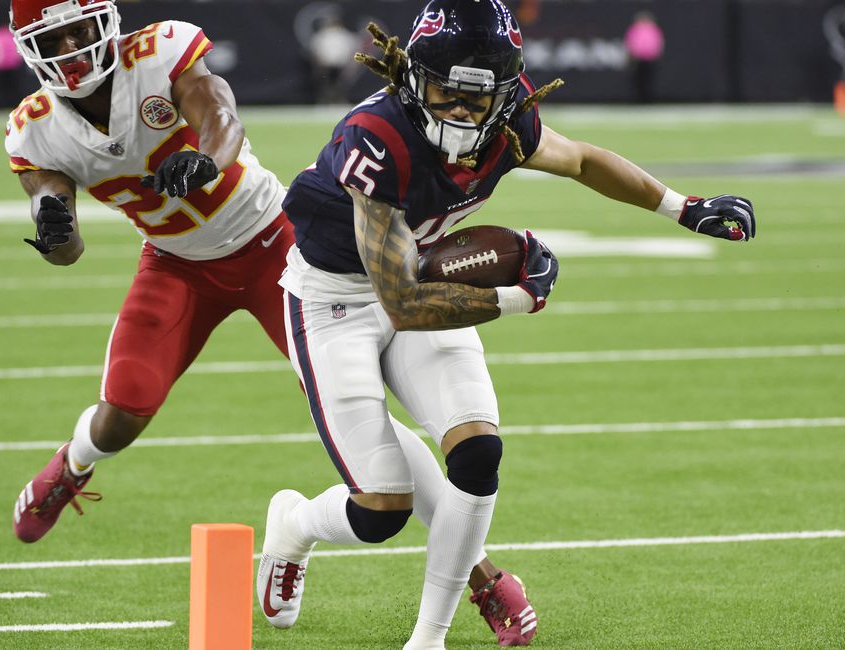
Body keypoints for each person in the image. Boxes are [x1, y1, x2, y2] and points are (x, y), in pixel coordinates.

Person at [3, 0, 537, 644]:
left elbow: (220, 116)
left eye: (78, 30)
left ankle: (478, 576)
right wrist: (53, 223)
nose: (69, 49)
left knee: (370, 425)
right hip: (175, 264)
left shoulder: (161, 51)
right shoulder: (33, 129)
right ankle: (74, 465)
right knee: (123, 410)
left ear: (106, 21)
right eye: (51, 38)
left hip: (277, 248)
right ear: (27, 48)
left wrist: (206, 156)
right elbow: (65, 242)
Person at [257, 1, 756, 649]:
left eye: (477, 98)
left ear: (503, 92)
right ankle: (294, 525)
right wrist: (520, 297)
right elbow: (402, 300)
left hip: (420, 279)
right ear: (411, 78)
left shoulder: (511, 124)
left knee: (477, 451)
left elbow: (579, 160)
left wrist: (682, 208)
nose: (462, 112)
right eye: (445, 92)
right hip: (335, 302)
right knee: (382, 509)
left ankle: (428, 638)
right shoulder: (376, 138)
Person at [624, 11, 664, 103]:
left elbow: (658, 42)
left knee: (649, 79)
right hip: (638, 58)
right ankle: (638, 99)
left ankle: (648, 98)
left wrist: (655, 53)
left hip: (650, 58)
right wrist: (632, 54)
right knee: (638, 80)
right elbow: (630, 42)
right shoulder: (634, 29)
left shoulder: (653, 29)